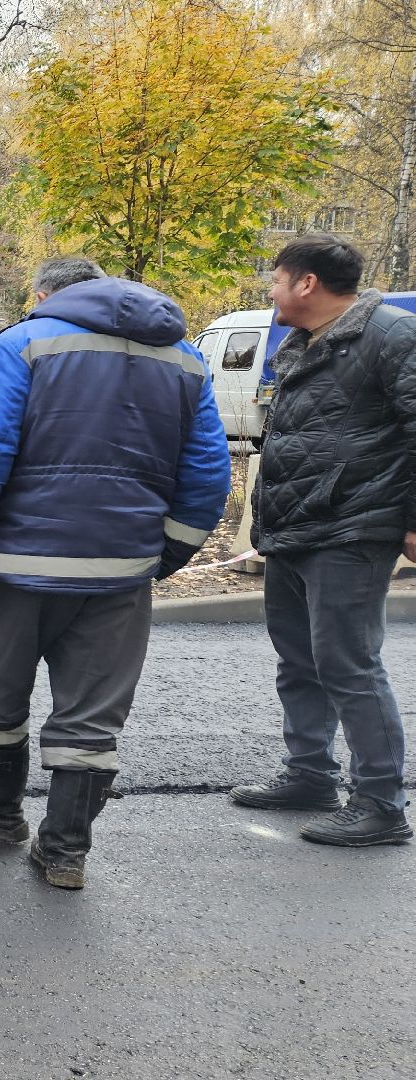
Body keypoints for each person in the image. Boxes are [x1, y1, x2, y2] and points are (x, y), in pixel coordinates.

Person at [0, 257, 230, 890]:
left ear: (45, 295)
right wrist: (161, 557)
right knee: (92, 717)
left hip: (16, 565)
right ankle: (64, 852)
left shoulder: (22, 344)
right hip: (120, 572)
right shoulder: (185, 360)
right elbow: (206, 479)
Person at [229, 234, 416, 846]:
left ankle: (381, 805)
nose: (272, 291)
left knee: (349, 665)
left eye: (277, 280)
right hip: (293, 527)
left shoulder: (390, 335)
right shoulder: (301, 341)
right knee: (300, 661)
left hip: (353, 526)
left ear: (306, 283)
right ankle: (310, 775)